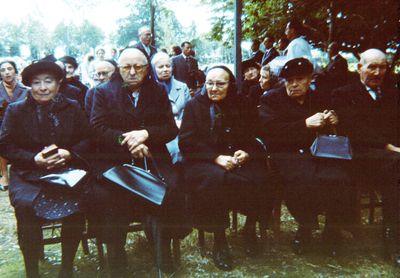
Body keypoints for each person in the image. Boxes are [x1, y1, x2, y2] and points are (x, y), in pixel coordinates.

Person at [89, 48, 182, 275]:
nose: (132, 72)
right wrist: (128, 140)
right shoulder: (103, 92)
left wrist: (146, 134)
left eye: (138, 67)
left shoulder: (157, 90)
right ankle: (117, 258)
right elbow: (96, 128)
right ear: (119, 69)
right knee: (109, 198)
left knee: (173, 190)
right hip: (115, 161)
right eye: (126, 67)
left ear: (146, 68)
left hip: (153, 158)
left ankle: (164, 250)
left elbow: (170, 128)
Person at [0, 61, 91, 278]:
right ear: (29, 85)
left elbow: (88, 138)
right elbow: (5, 144)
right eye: (36, 82)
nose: (42, 87)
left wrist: (69, 153)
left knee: (78, 206)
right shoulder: (16, 109)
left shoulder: (72, 106)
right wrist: (33, 158)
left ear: (59, 84)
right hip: (28, 173)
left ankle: (66, 267)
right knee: (25, 207)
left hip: (65, 170)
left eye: (48, 81)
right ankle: (32, 270)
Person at [179, 65, 274, 270]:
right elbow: (186, 143)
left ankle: (249, 228)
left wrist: (247, 152)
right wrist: (215, 157)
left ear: (230, 85)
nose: (213, 88)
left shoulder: (244, 103)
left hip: (240, 159)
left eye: (220, 84)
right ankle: (220, 240)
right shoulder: (194, 106)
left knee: (262, 178)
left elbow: (257, 134)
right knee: (217, 182)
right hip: (204, 162)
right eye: (209, 83)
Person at [259, 58, 351, 256]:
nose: (293, 84)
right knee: (303, 180)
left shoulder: (319, 98)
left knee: (339, 177)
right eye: (289, 80)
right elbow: (269, 131)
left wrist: (334, 120)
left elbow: (334, 128)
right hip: (286, 154)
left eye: (299, 79)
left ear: (311, 79)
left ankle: (332, 230)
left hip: (320, 152)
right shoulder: (271, 99)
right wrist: (304, 125)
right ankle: (306, 227)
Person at [332, 49, 400, 266]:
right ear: (359, 67)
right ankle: (394, 242)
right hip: (357, 158)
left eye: (382, 67)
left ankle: (392, 237)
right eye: (372, 67)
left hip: (391, 159)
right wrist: (388, 146)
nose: (377, 72)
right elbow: (353, 129)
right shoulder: (343, 93)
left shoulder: (393, 93)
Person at [151, 52, 191, 164]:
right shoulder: (149, 90)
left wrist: (182, 123)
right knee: (173, 151)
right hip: (161, 133)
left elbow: (190, 111)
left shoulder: (182, 87)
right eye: (160, 67)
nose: (165, 69)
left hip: (183, 130)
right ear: (153, 69)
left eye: (168, 66)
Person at [0, 60, 28, 191]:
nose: (7, 72)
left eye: (10, 69)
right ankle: (5, 175)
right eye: (3, 70)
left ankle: (24, 171)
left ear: (15, 71)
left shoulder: (26, 90)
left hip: (21, 125)